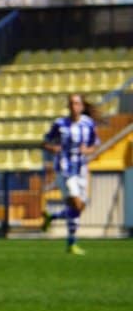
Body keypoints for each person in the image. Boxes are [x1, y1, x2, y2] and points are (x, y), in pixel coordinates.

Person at [42, 93, 99, 255]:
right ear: (68, 106)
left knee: (79, 207)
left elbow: (95, 144)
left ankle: (53, 218)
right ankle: (71, 244)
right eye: (72, 103)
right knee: (75, 203)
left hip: (81, 169)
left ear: (81, 106)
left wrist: (86, 150)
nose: (74, 106)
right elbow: (45, 141)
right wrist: (53, 148)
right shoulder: (60, 124)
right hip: (64, 169)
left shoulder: (88, 124)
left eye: (77, 103)